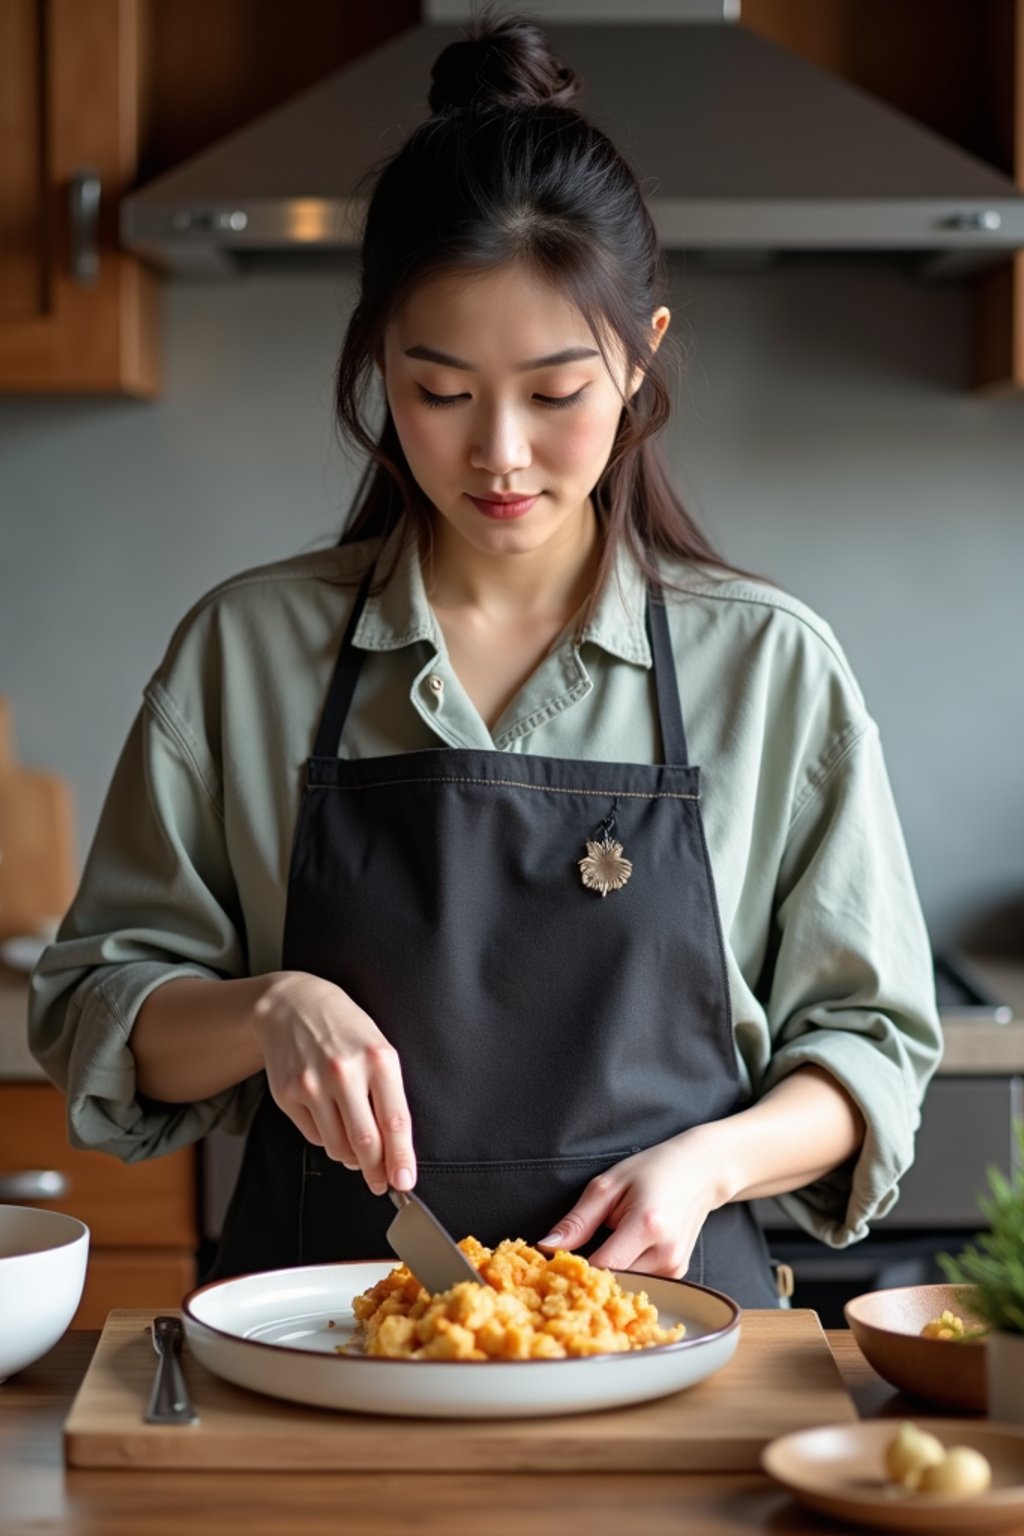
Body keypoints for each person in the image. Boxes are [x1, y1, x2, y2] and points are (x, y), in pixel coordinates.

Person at [29, 9, 942, 1310]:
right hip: (321, 1348)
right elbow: (96, 1012)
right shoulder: (246, 652)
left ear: (643, 358)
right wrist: (270, 1006)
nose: (499, 452)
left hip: (676, 1342)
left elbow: (873, 1049)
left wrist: (709, 1166)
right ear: (376, 366)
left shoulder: (770, 666)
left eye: (556, 392)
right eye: (441, 392)